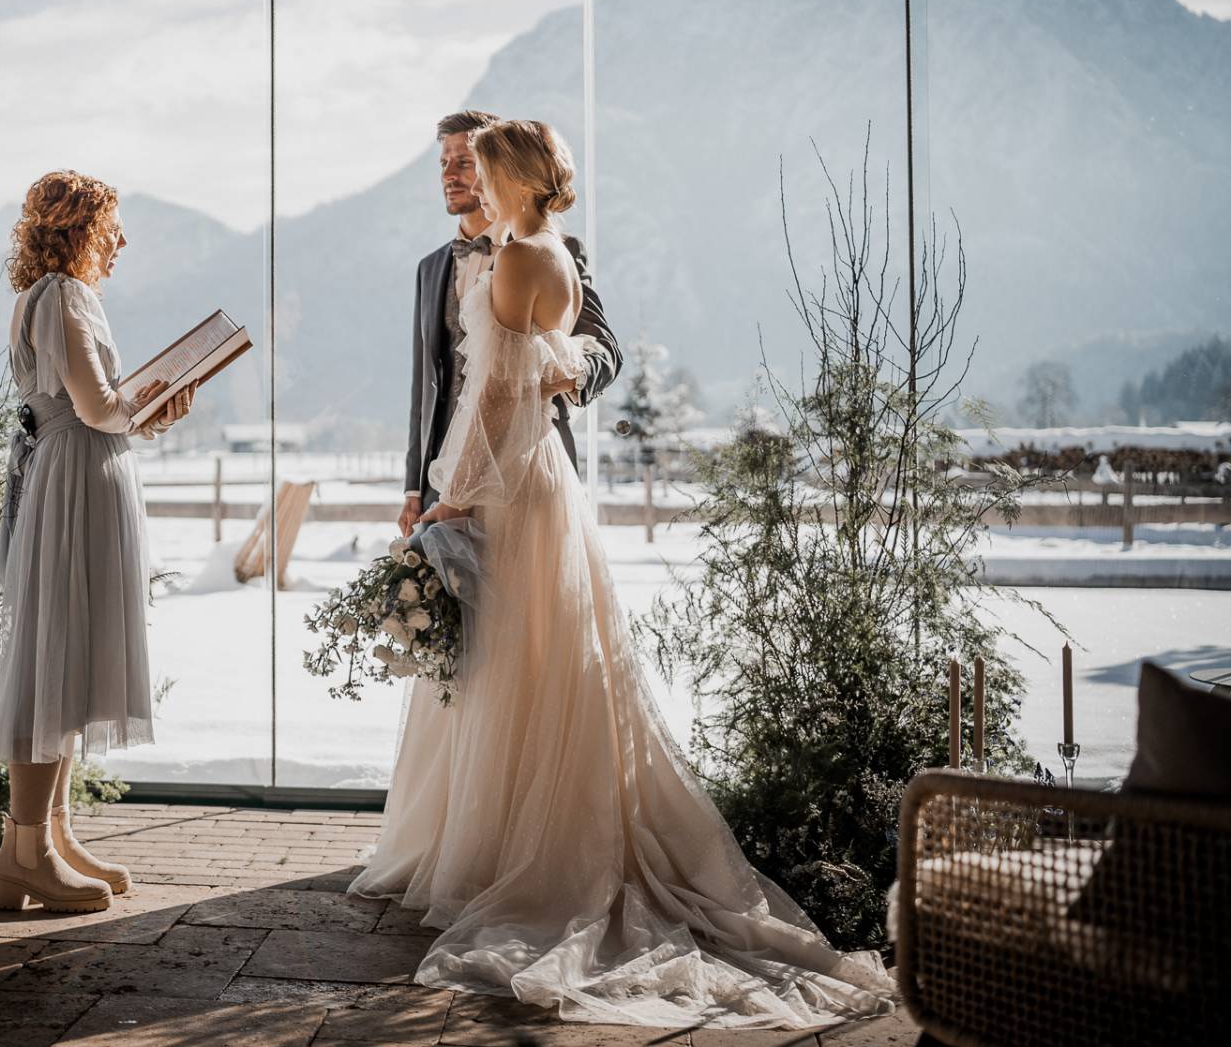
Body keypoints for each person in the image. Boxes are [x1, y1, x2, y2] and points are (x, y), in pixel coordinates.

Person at [351, 121, 896, 1028]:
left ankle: (521, 852)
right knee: (506, 662)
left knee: (516, 658)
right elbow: (450, 382)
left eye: (475, 167)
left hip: (508, 479)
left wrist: (468, 482)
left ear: (511, 177)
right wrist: (431, 479)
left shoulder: (529, 257)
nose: (465, 183)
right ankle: (472, 837)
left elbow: (516, 381)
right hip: (505, 477)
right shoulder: (508, 255)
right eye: (454, 169)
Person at [0, 169, 195, 914]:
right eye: (111, 226)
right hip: (77, 482)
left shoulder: (38, 299)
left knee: (64, 657)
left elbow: (92, 409)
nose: (121, 241)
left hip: (68, 475)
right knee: (55, 656)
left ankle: (52, 836)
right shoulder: (66, 296)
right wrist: (159, 395)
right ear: (79, 228)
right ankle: (26, 852)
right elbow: (99, 406)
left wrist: (151, 413)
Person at [401, 109, 620, 539]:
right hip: (446, 475)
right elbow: (423, 384)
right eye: (443, 162)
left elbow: (603, 348)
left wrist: (555, 376)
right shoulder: (431, 268)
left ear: (506, 171)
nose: (455, 175)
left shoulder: (553, 250)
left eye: (467, 163)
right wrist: (416, 485)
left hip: (519, 459)